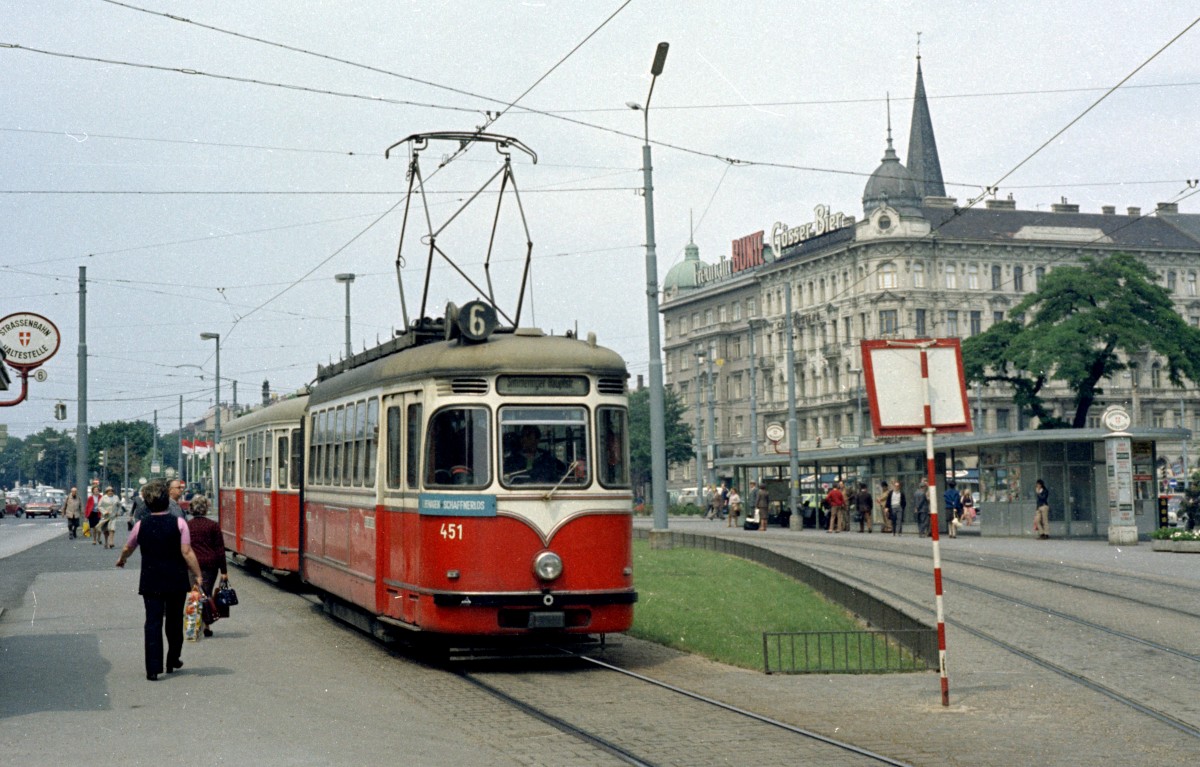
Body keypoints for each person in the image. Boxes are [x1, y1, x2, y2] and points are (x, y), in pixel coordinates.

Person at [115, 479, 204, 681]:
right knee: (174, 621)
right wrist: (198, 574)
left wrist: (122, 560)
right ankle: (173, 659)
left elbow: (128, 547)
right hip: (176, 579)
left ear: (147, 503)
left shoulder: (141, 525)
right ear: (166, 501)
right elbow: (187, 552)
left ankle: (153, 669)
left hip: (151, 580)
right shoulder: (179, 523)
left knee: (152, 622)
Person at [185, 495, 227, 638]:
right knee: (206, 593)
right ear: (206, 508)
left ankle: (193, 628)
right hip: (210, 565)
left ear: (191, 509)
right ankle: (206, 626)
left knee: (195, 594)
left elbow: (183, 548)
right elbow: (220, 549)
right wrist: (224, 571)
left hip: (192, 565)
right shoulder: (213, 525)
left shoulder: (187, 526)